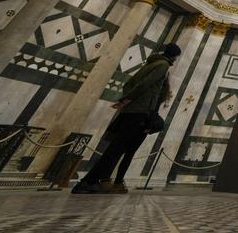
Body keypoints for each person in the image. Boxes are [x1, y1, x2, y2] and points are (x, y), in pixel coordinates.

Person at [72, 43, 180, 194]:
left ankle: (97, 181)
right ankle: (88, 182)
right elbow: (144, 85)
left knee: (116, 148)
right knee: (116, 149)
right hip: (139, 112)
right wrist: (127, 99)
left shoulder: (151, 63)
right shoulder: (162, 66)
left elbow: (130, 83)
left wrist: (127, 100)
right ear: (174, 56)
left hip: (131, 111)